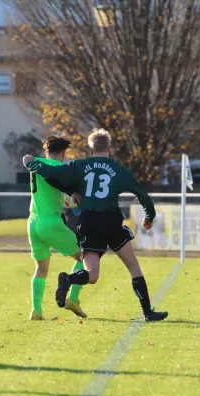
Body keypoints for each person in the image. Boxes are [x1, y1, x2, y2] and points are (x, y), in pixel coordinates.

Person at [23, 128, 168, 322]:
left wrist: (32, 164)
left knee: (91, 274)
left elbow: (52, 173)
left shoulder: (80, 165)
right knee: (133, 266)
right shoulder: (118, 169)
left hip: (86, 222)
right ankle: (148, 312)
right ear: (109, 148)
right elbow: (141, 194)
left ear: (90, 150)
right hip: (110, 221)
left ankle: (69, 280)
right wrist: (149, 216)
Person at [26, 134, 88, 321]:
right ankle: (73, 299)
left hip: (32, 222)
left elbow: (27, 158)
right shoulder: (62, 168)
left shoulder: (35, 164)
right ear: (63, 152)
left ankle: (36, 311)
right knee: (84, 256)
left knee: (41, 269)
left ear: (46, 151)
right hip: (50, 222)